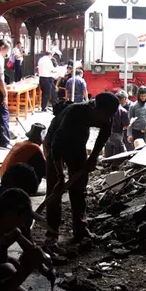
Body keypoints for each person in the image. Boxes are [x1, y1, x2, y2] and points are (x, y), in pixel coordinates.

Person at [43, 93, 120, 245]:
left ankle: (80, 229)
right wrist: (60, 176)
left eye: (110, 116)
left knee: (79, 188)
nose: (107, 119)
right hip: (54, 142)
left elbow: (104, 135)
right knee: (54, 190)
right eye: (105, 115)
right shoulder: (74, 113)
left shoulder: (106, 114)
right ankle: (51, 233)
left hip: (78, 145)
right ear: (94, 108)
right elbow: (56, 149)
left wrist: (93, 158)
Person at [105, 92, 130, 157]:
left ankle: (107, 164)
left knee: (108, 153)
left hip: (107, 133)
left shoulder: (107, 108)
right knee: (121, 154)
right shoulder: (123, 111)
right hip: (117, 134)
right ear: (124, 99)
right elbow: (126, 126)